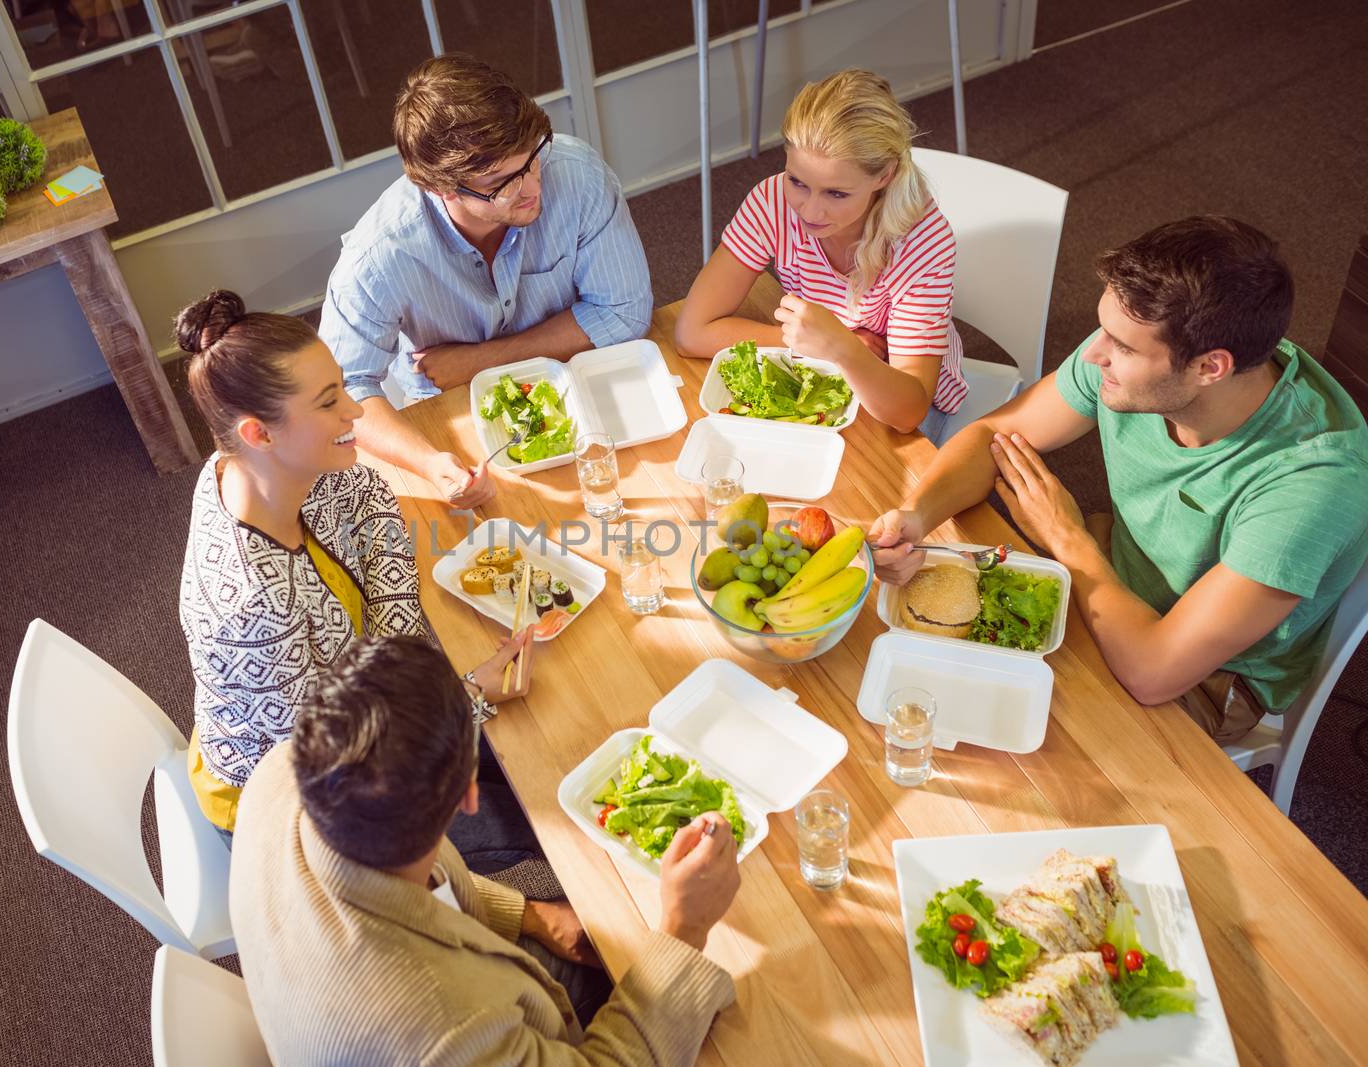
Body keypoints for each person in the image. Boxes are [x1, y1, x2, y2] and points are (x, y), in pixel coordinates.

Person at [869, 216, 1368, 741]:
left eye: (1123, 347)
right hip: (1109, 572)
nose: (1093, 353)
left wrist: (1064, 537)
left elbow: (1155, 673)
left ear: (1210, 367)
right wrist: (917, 515)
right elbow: (995, 435)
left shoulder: (1312, 484)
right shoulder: (1142, 346)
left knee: (977, 724)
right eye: (1105, 329)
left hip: (1205, 678)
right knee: (919, 668)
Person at [230, 636, 740, 1064]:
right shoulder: (446, 1035)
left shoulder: (279, 772)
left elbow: (404, 885)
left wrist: (531, 915)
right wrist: (684, 927)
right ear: (468, 796)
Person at [174, 289, 534, 842]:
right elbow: (338, 763)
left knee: (526, 740)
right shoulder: (249, 608)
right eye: (327, 402)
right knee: (532, 813)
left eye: (343, 386)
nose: (357, 411)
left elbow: (371, 499)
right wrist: (469, 694)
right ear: (258, 432)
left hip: (360, 703)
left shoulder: (256, 468)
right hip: (308, 807)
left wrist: (398, 664)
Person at [319, 53, 653, 509]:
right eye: (501, 182)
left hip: (577, 378)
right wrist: (431, 464)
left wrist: (479, 361)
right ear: (441, 187)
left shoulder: (577, 176)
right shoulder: (379, 254)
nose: (532, 186)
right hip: (451, 411)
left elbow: (624, 311)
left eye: (533, 157)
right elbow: (341, 391)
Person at [674, 69, 968, 439]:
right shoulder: (772, 201)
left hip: (898, 397)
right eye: (798, 182)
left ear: (884, 176)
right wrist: (821, 343)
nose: (809, 212)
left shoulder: (924, 241)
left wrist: (841, 348)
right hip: (828, 366)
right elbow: (691, 333)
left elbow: (908, 411)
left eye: (836, 194)